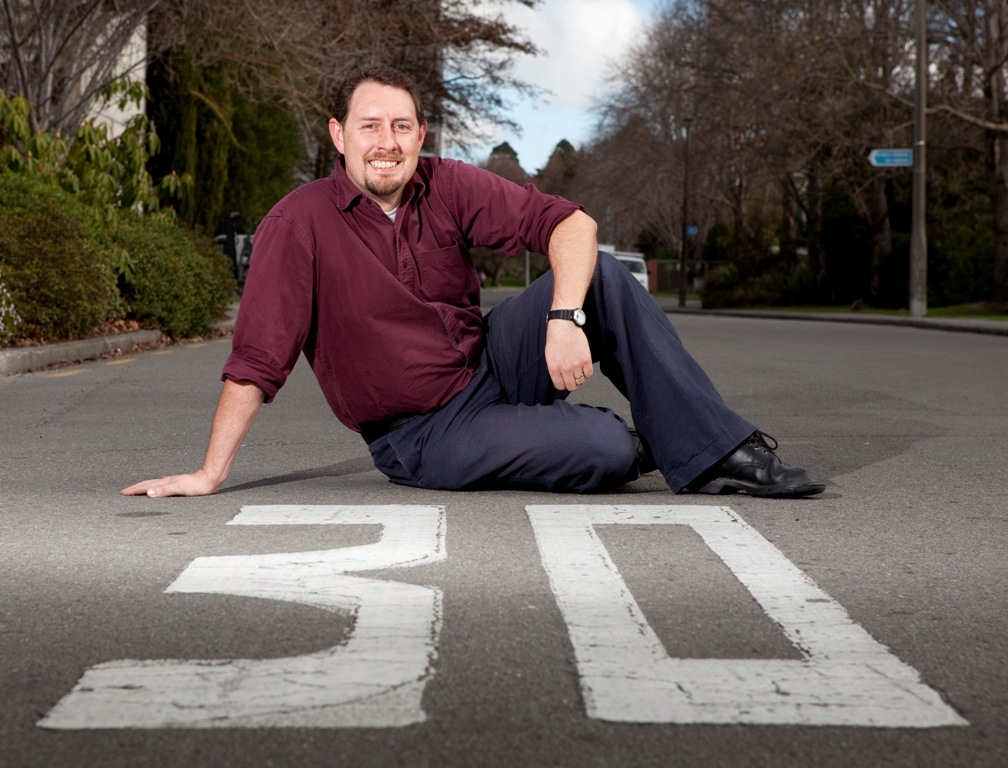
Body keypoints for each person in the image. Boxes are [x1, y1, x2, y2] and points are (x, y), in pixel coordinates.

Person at [121, 66, 824, 499]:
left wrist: (563, 318)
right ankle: (639, 443)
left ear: (421, 134)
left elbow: (571, 223)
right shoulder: (297, 223)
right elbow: (256, 361)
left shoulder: (446, 183)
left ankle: (718, 455)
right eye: (370, 126)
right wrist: (210, 472)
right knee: (606, 449)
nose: (387, 141)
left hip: (489, 361)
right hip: (421, 432)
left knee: (602, 276)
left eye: (402, 126)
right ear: (339, 135)